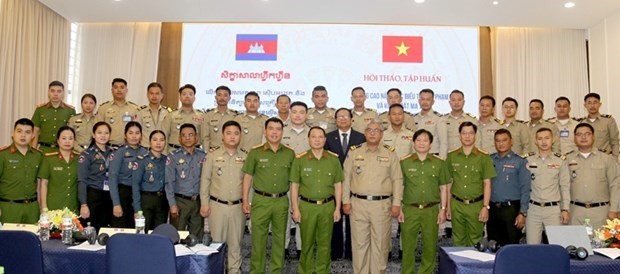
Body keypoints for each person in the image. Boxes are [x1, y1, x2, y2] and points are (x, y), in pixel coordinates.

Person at [342, 121, 403, 274]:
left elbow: (397, 179)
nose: (373, 133)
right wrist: (345, 201)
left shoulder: (390, 153)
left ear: (382, 134)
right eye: (369, 130)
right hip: (358, 204)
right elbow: (346, 178)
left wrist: (396, 203)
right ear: (365, 133)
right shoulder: (355, 152)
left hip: (382, 205)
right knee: (359, 244)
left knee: (380, 245)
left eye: (377, 130)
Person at [242, 118, 295, 274]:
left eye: (278, 129)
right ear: (265, 131)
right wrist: (245, 200)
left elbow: (294, 182)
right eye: (271, 128)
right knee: (258, 241)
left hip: (281, 201)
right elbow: (248, 177)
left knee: (280, 241)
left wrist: (294, 205)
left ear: (282, 132)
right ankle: (256, 271)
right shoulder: (255, 152)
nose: (274, 132)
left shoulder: (290, 153)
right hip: (260, 200)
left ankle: (276, 271)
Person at [290, 126, 343, 274]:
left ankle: (322, 271)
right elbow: (294, 185)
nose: (317, 140)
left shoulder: (333, 159)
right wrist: (295, 208)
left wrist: (337, 208)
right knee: (306, 244)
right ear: (308, 139)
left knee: (325, 245)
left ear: (325, 140)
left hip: (327, 206)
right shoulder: (300, 159)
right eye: (314, 137)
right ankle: (305, 271)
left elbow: (338, 184)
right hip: (307, 206)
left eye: (320, 137)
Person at [398, 129, 449, 274]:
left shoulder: (439, 163)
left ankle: (426, 271)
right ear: (413, 143)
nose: (421, 143)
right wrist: (399, 207)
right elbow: (400, 186)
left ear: (430, 144)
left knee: (430, 245)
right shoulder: (404, 162)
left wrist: (443, 209)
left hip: (431, 209)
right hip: (409, 209)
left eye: (425, 140)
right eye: (418, 140)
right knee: (408, 246)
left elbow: (444, 187)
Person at [200, 121, 247, 274]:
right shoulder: (213, 156)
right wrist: (204, 203)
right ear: (222, 135)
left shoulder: (246, 157)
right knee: (216, 245)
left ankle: (235, 271)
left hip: (237, 207)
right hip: (217, 206)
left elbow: (249, 183)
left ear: (240, 136)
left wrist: (249, 203)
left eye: (236, 133)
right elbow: (205, 180)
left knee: (236, 245)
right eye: (228, 133)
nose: (232, 137)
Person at [324, 107, 365, 260]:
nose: (342, 119)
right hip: (333, 184)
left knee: (352, 220)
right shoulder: (328, 137)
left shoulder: (361, 137)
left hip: (355, 183)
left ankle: (350, 252)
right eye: (339, 116)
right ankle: (335, 251)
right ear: (335, 120)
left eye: (345, 116)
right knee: (335, 218)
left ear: (351, 119)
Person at [447, 121, 496, 246]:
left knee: (476, 241)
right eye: (464, 133)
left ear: (475, 135)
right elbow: (448, 183)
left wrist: (486, 207)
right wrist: (447, 206)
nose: (467, 136)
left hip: (476, 205)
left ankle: (472, 266)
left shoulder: (483, 157)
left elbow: (487, 184)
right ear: (459, 135)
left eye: (470, 133)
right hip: (456, 205)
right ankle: (459, 266)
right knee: (458, 240)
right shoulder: (452, 156)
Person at [566, 123, 619, 228]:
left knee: (602, 244)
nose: (583, 137)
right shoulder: (567, 159)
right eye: (579, 134)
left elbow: (615, 185)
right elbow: (564, 186)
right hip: (575, 212)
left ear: (593, 137)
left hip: (601, 212)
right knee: (576, 244)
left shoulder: (606, 159)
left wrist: (614, 209)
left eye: (587, 134)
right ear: (574, 138)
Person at [524, 127, 571, 244]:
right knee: (532, 247)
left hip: (553, 211)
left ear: (553, 140)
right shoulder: (527, 160)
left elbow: (564, 186)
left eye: (547, 138)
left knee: (557, 247)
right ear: (535, 141)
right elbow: (523, 187)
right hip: (533, 210)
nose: (544, 142)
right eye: (540, 139)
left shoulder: (560, 161)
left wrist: (565, 209)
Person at [488, 129, 531, 246]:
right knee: (492, 246)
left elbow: (525, 189)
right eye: (497, 141)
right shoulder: (489, 160)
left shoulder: (520, 162)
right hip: (492, 210)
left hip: (511, 210)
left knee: (511, 247)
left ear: (511, 142)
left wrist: (522, 213)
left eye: (504, 140)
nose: (501, 143)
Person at [281, 101, 311, 258]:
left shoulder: (313, 132)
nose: (298, 115)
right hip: (285, 182)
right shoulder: (281, 130)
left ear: (306, 114)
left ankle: (301, 248)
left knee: (303, 217)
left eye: (301, 112)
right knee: (284, 217)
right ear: (290, 113)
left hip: (307, 183)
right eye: (295, 112)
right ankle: (283, 247)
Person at [165, 123, 206, 238]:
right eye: (184, 135)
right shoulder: (173, 157)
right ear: (179, 138)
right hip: (180, 202)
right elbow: (169, 183)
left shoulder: (203, 156)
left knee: (197, 238)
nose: (187, 138)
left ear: (196, 138)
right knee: (177, 237)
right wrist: (172, 204)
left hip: (198, 202)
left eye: (190, 135)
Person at [0, 118, 44, 224]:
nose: (23, 135)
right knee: (9, 240)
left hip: (32, 209)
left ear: (33, 135)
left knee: (32, 239)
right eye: (19, 131)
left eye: (27, 132)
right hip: (9, 208)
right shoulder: (3, 155)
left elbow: (40, 184)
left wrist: (42, 208)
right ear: (13, 133)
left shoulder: (39, 156)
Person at [108, 121, 148, 228]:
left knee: (137, 227)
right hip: (123, 194)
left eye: (137, 133)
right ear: (125, 135)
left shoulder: (145, 153)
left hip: (140, 195)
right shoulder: (119, 152)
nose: (134, 136)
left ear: (141, 135)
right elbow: (112, 178)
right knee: (121, 228)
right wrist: (116, 204)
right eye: (130, 133)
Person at [78, 121, 114, 232]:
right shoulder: (87, 154)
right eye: (99, 133)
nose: (103, 136)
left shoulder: (113, 152)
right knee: (91, 230)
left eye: (106, 133)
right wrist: (83, 204)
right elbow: (82, 181)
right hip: (93, 195)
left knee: (105, 230)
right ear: (93, 135)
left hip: (109, 196)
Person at [131, 130, 169, 232]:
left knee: (160, 233)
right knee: (144, 233)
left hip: (162, 201)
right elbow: (135, 185)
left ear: (165, 142)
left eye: (161, 140)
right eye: (155, 140)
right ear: (149, 142)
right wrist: (137, 209)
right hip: (146, 201)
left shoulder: (167, 161)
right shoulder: (142, 160)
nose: (158, 143)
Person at [38, 126, 79, 214]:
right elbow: (43, 184)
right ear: (58, 140)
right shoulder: (49, 158)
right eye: (64, 138)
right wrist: (43, 207)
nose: (67, 141)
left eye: (71, 138)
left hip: (73, 206)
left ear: (74, 141)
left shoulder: (79, 159)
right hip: (54, 206)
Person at [31, 81, 76, 153]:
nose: (55, 94)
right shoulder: (40, 109)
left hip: (62, 150)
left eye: (59, 91)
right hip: (43, 150)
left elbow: (73, 133)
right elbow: (35, 131)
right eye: (52, 91)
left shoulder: (70, 111)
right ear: (48, 93)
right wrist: (33, 150)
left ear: (63, 94)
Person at [96, 78, 140, 146]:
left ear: (126, 90)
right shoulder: (103, 108)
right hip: (109, 147)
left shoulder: (134, 109)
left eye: (122, 87)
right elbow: (97, 129)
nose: (119, 90)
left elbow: (138, 129)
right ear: (112, 90)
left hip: (128, 147)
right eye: (116, 87)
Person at [162, 84, 204, 149]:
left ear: (194, 98)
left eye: (190, 94)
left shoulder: (201, 116)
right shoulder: (171, 115)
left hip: (195, 153)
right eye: (184, 94)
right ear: (180, 97)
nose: (187, 96)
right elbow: (164, 135)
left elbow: (204, 137)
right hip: (174, 152)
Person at [579, 93, 620, 157]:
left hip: (605, 159)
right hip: (586, 159)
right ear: (585, 105)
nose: (592, 105)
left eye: (595, 102)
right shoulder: (581, 123)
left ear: (599, 104)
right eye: (589, 103)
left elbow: (615, 142)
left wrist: (615, 159)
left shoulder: (609, 121)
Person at [413, 88, 448, 158]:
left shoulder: (439, 118)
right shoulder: (413, 118)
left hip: (433, 156)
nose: (425, 102)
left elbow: (443, 142)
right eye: (422, 99)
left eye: (428, 99)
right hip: (416, 157)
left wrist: (441, 160)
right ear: (419, 101)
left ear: (433, 102)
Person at [137, 82, 172, 148]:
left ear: (162, 95)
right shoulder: (140, 112)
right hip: (145, 150)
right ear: (147, 95)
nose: (154, 96)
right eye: (151, 93)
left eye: (157, 93)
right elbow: (136, 132)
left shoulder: (168, 113)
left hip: (162, 151)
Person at [203, 85, 238, 150]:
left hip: (230, 151)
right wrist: (206, 154)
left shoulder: (235, 116)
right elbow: (205, 137)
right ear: (215, 97)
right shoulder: (208, 115)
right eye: (219, 95)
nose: (222, 98)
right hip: (213, 152)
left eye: (225, 95)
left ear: (229, 98)